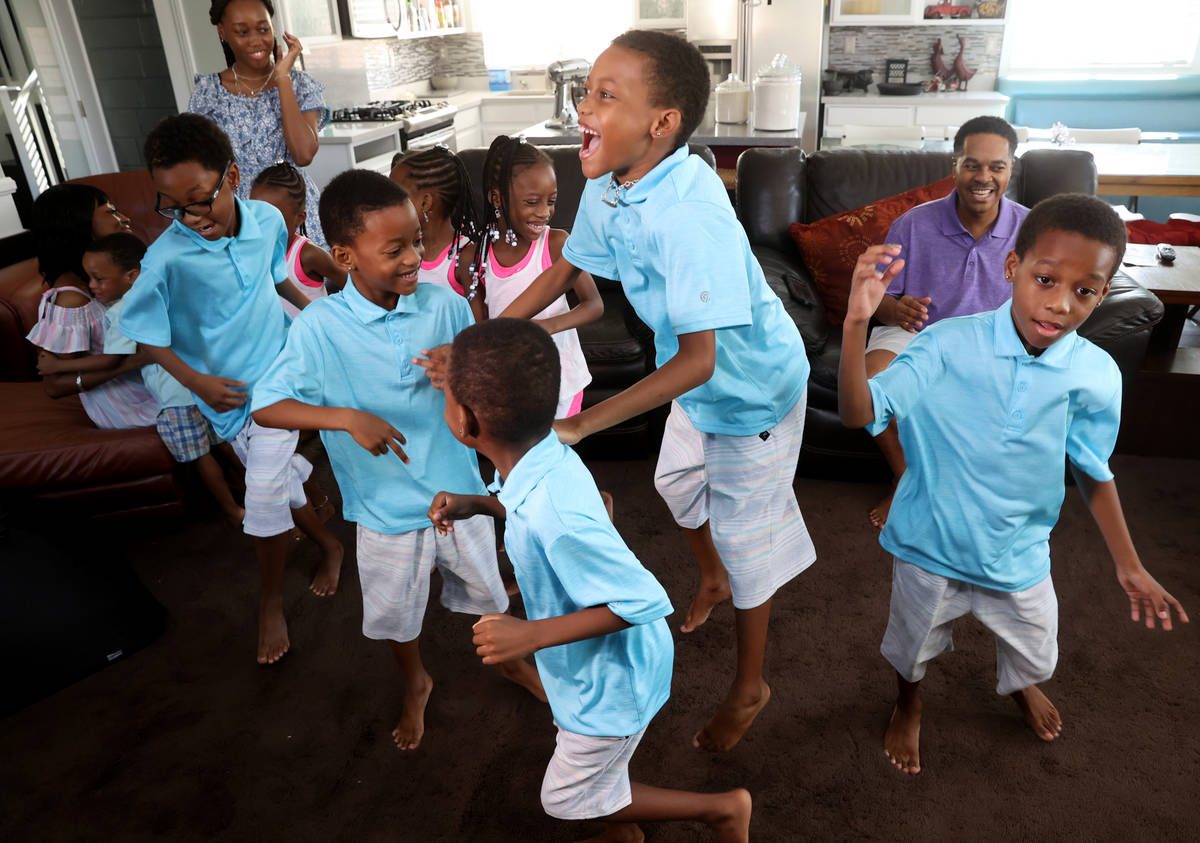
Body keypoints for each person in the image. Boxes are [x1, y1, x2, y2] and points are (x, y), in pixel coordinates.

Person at [496, 30, 816, 752]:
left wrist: (581, 426)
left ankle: (750, 683)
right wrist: (491, 334)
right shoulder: (614, 182)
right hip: (700, 385)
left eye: (606, 96)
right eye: (587, 90)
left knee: (747, 545)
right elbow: (566, 266)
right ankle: (710, 577)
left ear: (661, 124)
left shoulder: (688, 216)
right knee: (675, 484)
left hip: (754, 393)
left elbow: (701, 360)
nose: (584, 104)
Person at [838, 193, 1189, 776]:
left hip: (1018, 551)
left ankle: (1020, 684)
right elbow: (857, 413)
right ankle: (908, 702)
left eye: (1084, 291)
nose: (1058, 305)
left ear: (1103, 293)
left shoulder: (1097, 374)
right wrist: (856, 324)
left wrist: (1128, 564)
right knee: (911, 647)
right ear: (1013, 269)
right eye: (1045, 279)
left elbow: (1095, 472)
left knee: (1035, 649)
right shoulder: (945, 345)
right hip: (931, 543)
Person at [252, 170, 543, 750]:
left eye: (416, 240)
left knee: (487, 594)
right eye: (395, 249)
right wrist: (346, 418)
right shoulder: (319, 329)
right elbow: (267, 408)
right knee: (396, 616)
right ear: (344, 256)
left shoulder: (446, 306)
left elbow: (477, 407)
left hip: (458, 495)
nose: (415, 257)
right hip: (384, 509)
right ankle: (415, 680)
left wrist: (457, 376)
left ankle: (510, 661)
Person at [430, 318, 752, 842]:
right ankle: (619, 830)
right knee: (596, 770)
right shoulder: (540, 458)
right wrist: (480, 505)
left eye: (445, 395)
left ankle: (720, 810)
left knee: (564, 797)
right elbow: (543, 517)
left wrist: (528, 635)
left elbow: (643, 598)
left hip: (611, 681)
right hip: (586, 670)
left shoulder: (551, 503)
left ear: (465, 420)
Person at [119, 113, 343, 666]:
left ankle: (270, 603)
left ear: (233, 177)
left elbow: (276, 279)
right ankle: (330, 542)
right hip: (232, 398)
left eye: (199, 199)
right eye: (171, 206)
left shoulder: (267, 219)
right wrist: (196, 383)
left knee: (264, 493)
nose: (189, 217)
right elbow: (146, 338)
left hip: (285, 369)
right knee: (284, 486)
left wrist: (315, 316)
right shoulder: (165, 259)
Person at [865, 115, 1027, 528]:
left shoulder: (1032, 230)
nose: (983, 177)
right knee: (870, 383)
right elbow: (875, 297)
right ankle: (907, 478)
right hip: (915, 333)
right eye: (972, 164)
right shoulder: (914, 224)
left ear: (1011, 168)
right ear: (954, 166)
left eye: (996, 166)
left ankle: (969, 492)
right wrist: (894, 309)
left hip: (992, 340)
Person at [83, 232, 244, 526]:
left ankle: (233, 510)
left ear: (132, 276)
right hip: (203, 383)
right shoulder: (164, 290)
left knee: (201, 457)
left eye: (99, 279)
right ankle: (257, 491)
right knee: (226, 443)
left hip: (175, 399)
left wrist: (58, 366)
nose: (92, 286)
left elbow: (111, 359)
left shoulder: (123, 309)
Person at [190, 0, 331, 250]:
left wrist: (283, 78)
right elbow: (200, 169)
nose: (256, 40)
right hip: (240, 218)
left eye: (263, 29)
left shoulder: (301, 85)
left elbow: (303, 154)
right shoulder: (207, 93)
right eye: (242, 32)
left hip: (295, 211)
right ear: (222, 32)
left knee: (309, 285)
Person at [479, 135, 601, 419]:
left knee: (556, 458)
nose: (544, 212)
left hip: (561, 380)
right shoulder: (479, 252)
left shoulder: (557, 244)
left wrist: (548, 326)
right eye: (532, 202)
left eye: (552, 201)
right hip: (509, 383)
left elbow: (594, 305)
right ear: (496, 198)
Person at [26, 184, 159, 428]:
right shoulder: (71, 300)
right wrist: (137, 360)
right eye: (111, 212)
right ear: (80, 224)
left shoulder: (110, 279)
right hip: (133, 406)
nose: (125, 219)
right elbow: (54, 385)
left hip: (153, 383)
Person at [389, 145, 487, 323]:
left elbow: (479, 328)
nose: (386, 203)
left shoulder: (464, 257)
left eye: (394, 195)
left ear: (425, 203)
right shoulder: (399, 252)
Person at [250, 161, 345, 318]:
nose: (262, 223)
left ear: (299, 218)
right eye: (256, 214)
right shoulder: (251, 252)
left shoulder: (307, 255)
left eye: (273, 217)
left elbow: (354, 286)